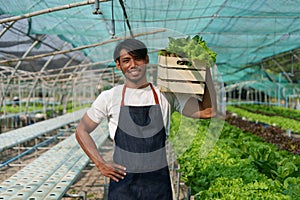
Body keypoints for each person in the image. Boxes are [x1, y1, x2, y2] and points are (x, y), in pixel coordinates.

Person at [75, 38, 217, 200]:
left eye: (138, 58)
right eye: (126, 60)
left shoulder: (166, 95)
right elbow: (82, 130)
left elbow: (208, 112)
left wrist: (206, 74)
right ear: (118, 65)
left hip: (157, 184)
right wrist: (100, 163)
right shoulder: (109, 97)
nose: (133, 64)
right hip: (123, 185)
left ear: (147, 60)